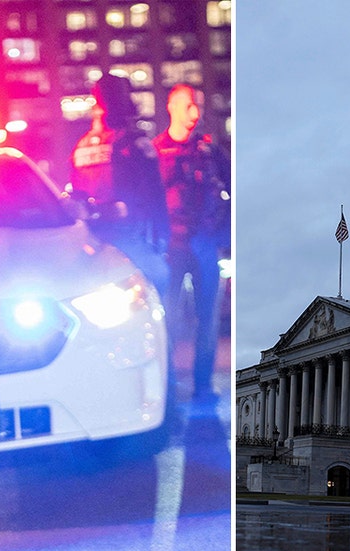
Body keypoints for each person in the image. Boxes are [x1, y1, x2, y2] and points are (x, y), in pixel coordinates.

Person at [152, 84, 230, 406]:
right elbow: (147, 200)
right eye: (188, 106)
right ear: (172, 107)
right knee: (165, 318)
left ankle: (202, 385)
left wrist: (224, 236)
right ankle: (166, 386)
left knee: (207, 320)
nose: (195, 113)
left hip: (204, 244)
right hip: (171, 245)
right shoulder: (155, 151)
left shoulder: (211, 152)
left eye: (197, 106)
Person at [68, 73, 169, 295]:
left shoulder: (81, 146)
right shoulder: (136, 143)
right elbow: (155, 197)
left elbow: (75, 197)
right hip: (129, 237)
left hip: (90, 240)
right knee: (161, 277)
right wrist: (163, 239)